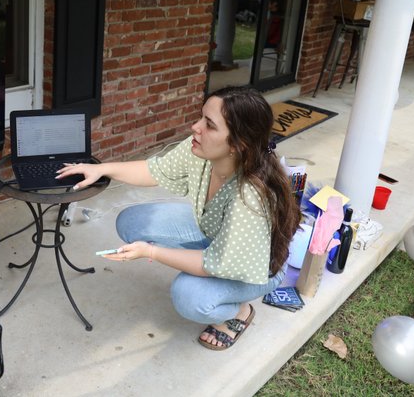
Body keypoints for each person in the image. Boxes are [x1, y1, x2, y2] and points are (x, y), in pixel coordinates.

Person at [57, 86, 301, 351]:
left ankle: (238, 311)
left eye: (209, 124)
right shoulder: (201, 150)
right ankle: (212, 278)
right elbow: (154, 170)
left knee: (189, 297)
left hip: (255, 270)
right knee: (131, 222)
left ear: (237, 144)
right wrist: (101, 169)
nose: (195, 127)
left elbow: (212, 263)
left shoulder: (248, 198)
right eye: (201, 117)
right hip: (218, 236)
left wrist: (150, 251)